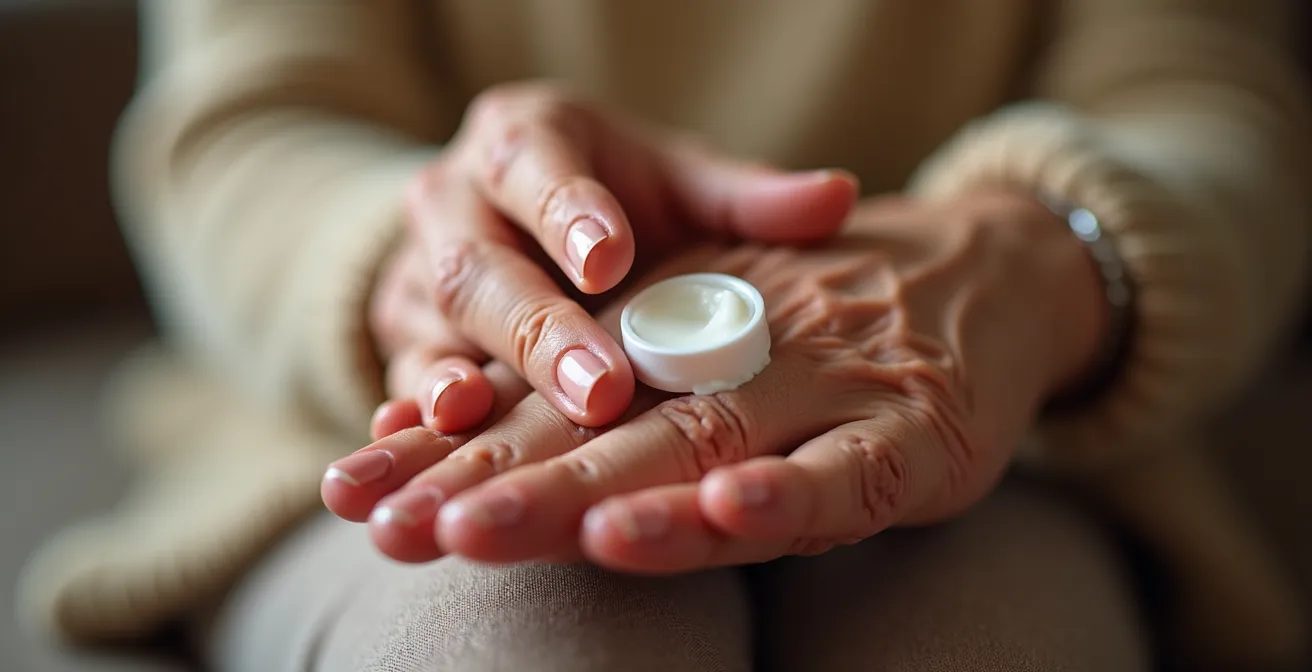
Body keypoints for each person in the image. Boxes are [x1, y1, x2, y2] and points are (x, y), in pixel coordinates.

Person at [17, 1, 1311, 670]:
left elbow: (1205, 98)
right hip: (428, 409)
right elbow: (241, 123)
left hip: (989, 402)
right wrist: (422, 265)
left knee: (982, 648)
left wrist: (1035, 257)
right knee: (536, 643)